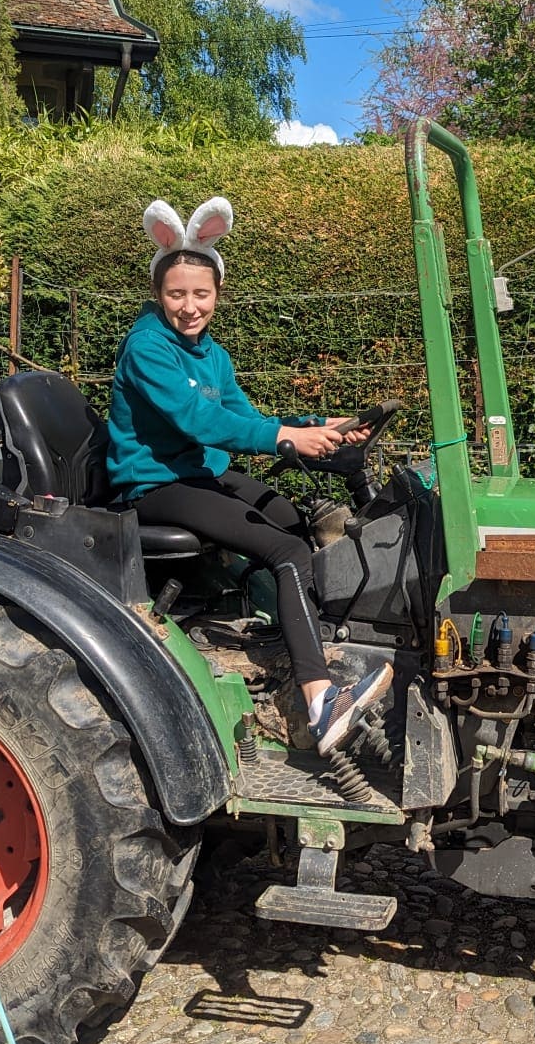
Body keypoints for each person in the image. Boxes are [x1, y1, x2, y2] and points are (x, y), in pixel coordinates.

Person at [107, 196, 392, 757]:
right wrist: (285, 438)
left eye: (201, 294)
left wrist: (319, 426)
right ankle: (320, 702)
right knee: (287, 550)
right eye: (176, 294)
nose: (190, 307)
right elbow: (200, 421)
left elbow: (243, 416)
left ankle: (299, 646)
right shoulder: (147, 349)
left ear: (217, 292)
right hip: (154, 484)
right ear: (158, 294)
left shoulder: (211, 354)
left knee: (294, 522)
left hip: (198, 472)